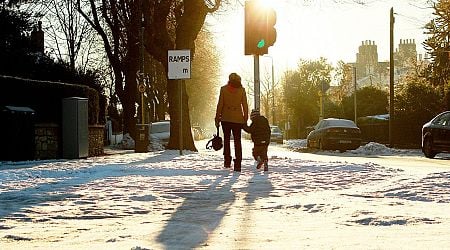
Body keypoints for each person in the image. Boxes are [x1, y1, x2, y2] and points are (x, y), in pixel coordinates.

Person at [215, 73, 249, 172]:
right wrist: (245, 118)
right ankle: (238, 163)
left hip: (226, 118)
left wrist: (217, 118)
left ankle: (227, 160)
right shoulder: (242, 90)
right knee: (237, 141)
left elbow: (220, 104)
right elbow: (245, 105)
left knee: (226, 140)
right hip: (238, 120)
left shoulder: (224, 89)